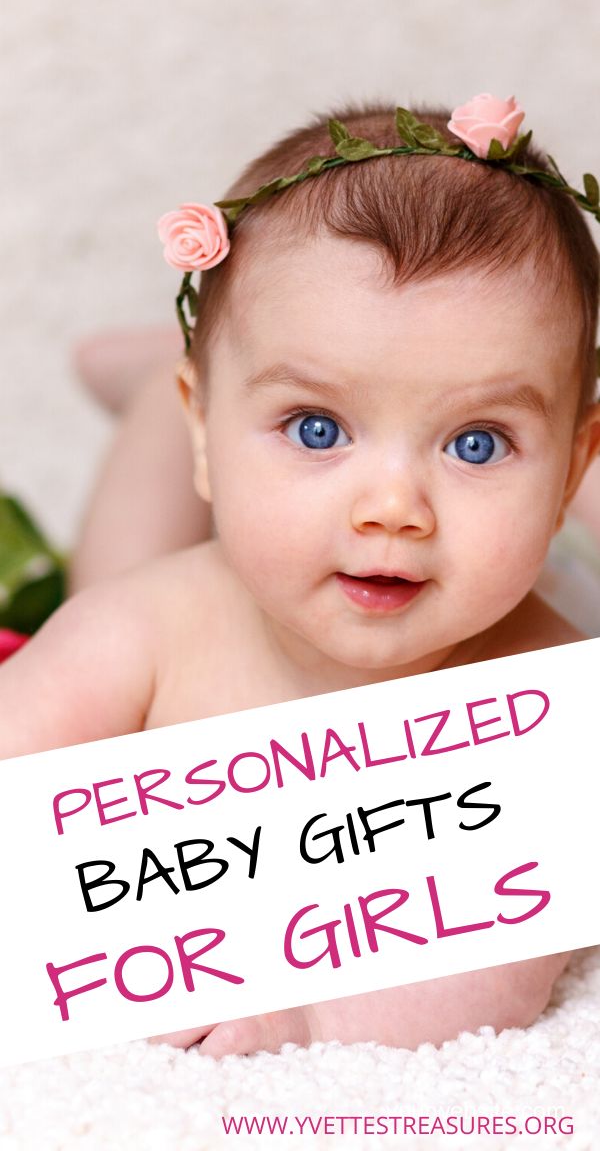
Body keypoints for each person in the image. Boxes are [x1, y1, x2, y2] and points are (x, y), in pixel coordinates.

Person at [2, 95, 600, 1057]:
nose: (393, 507)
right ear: (217, 430)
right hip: (181, 538)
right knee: (116, 563)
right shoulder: (152, 624)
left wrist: (308, 1020)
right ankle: (157, 397)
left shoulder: (551, 705)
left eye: (478, 442)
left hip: (562, 555)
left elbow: (488, 959)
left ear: (571, 470)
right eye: (316, 427)